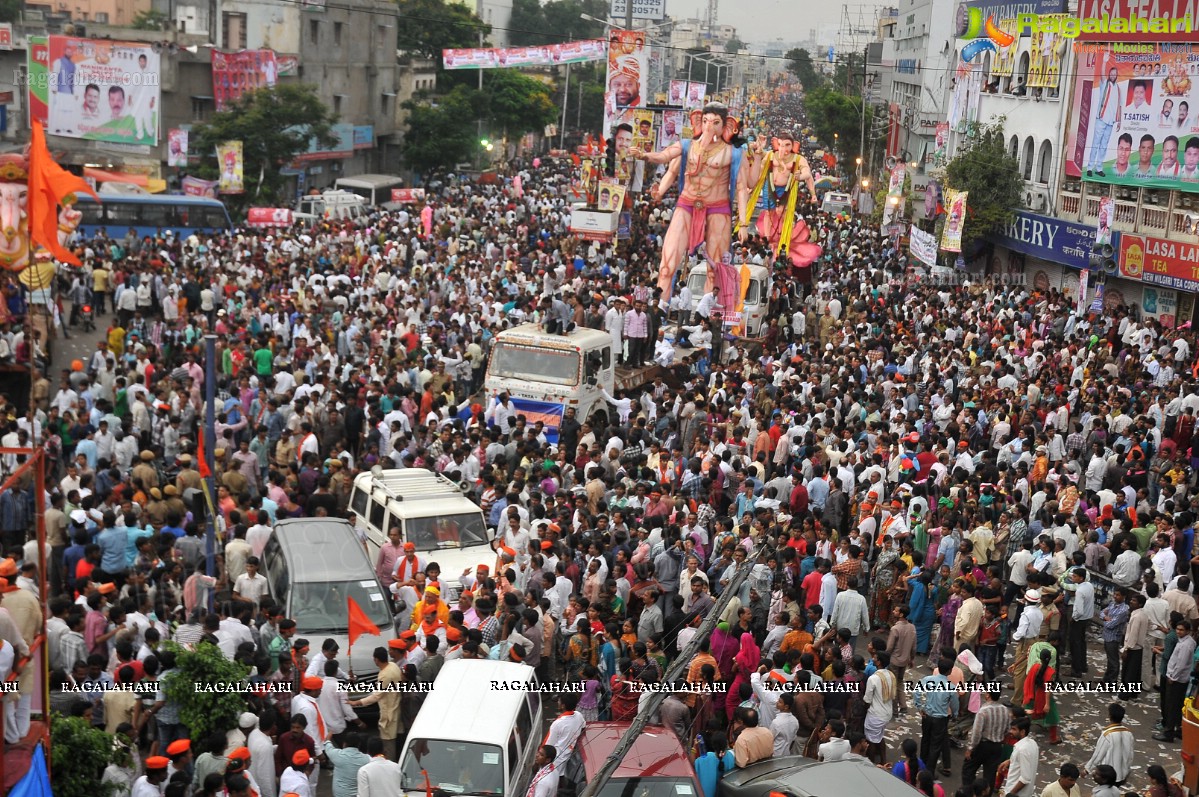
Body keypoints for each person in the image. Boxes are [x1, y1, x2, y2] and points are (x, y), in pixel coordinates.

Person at [630, 103, 749, 299]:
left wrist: (743, 223)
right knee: (666, 265)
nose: (709, 127)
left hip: (718, 209)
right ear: (698, 122)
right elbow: (664, 156)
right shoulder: (687, 146)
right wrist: (644, 155)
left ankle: (709, 316)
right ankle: (659, 309)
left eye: (715, 123)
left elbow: (742, 189)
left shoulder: (733, 153)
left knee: (714, 270)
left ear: (726, 126)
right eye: (705, 121)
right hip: (686, 205)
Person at [1084, 703, 1133, 784]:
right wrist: (1127, 770)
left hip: (1108, 776)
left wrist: (1087, 770)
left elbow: (1098, 755)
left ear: (1110, 716)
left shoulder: (1107, 734)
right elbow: (1130, 755)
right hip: (1122, 775)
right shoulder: (1128, 733)